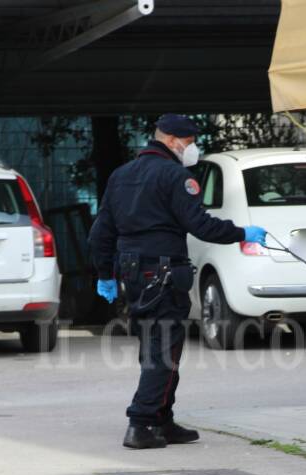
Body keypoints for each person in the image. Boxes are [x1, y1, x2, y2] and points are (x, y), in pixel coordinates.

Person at [88, 114, 267, 449]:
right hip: (164, 272)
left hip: (134, 272)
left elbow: (101, 232)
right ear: (171, 140)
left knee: (154, 346)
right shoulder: (175, 176)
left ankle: (162, 420)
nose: (192, 148)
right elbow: (200, 225)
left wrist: (105, 274)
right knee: (164, 349)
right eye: (189, 141)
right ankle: (141, 423)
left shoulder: (121, 175)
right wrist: (242, 233)